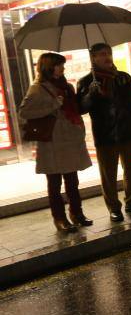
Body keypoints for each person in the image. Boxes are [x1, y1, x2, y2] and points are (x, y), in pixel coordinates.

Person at [19, 53, 92, 232]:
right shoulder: (37, 88)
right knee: (54, 184)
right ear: (48, 67)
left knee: (72, 181)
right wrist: (52, 105)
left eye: (62, 65)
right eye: (59, 65)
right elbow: (24, 112)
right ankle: (59, 219)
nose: (62, 68)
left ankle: (77, 213)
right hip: (52, 143)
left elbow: (75, 110)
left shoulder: (67, 86)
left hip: (70, 140)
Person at [76, 43, 131, 222]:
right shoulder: (86, 82)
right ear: (93, 58)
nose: (107, 57)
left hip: (128, 132)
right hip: (105, 135)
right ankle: (114, 208)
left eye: (108, 53)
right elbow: (80, 109)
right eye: (101, 54)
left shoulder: (124, 78)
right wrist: (90, 95)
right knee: (108, 174)